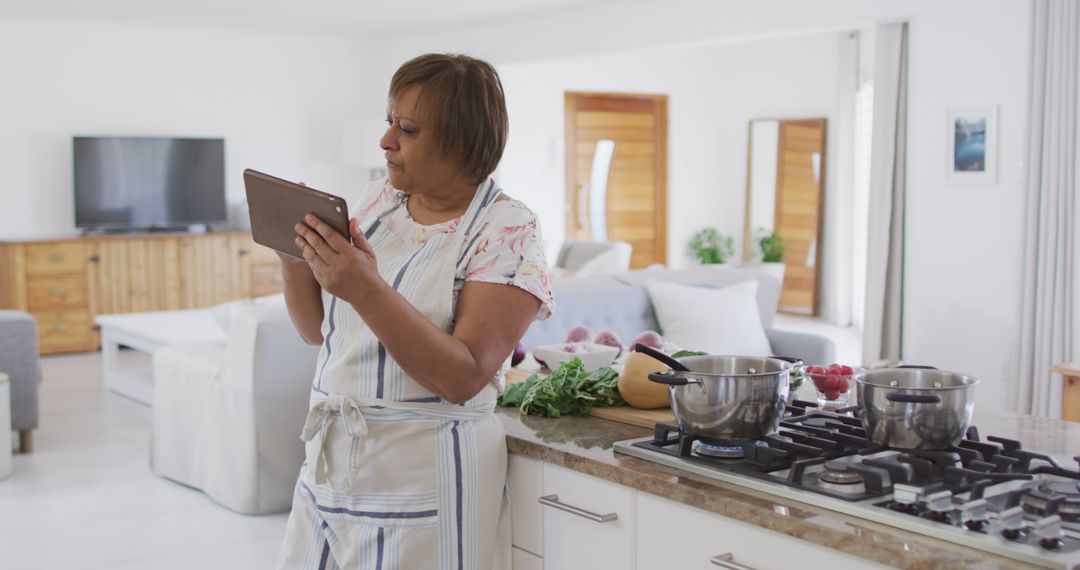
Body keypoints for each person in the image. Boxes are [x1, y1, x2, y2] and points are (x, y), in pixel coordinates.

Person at [275, 53, 554, 569]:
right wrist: (295, 258)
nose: (386, 142)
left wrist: (365, 289)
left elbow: (463, 375)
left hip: (423, 478)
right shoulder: (376, 201)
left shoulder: (508, 230)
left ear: (462, 141)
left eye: (407, 129)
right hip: (329, 472)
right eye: (390, 123)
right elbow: (319, 332)